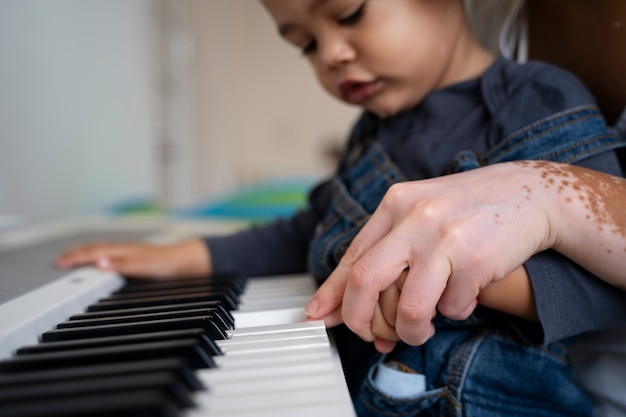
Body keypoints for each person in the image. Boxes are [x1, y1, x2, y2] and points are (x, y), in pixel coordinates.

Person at [56, 0, 626, 415]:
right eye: (303, 43)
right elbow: (305, 230)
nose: (330, 54)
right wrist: (178, 256)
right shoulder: (371, 131)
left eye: (349, 14)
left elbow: (595, 280)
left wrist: (428, 277)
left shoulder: (532, 96)